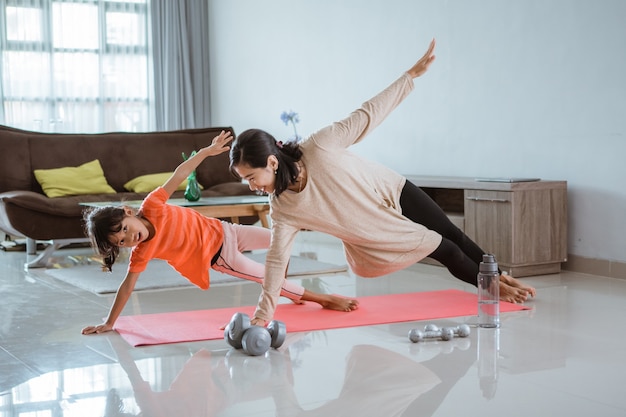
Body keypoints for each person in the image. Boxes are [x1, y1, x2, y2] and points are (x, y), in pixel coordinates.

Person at [229, 39, 536, 326]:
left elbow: (367, 115)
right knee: (448, 250)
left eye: (251, 177)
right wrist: (261, 318)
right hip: (375, 227)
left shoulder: (320, 147)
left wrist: (409, 77)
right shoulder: (283, 209)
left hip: (391, 188)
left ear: (271, 162)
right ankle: (493, 288)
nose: (251, 185)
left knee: (453, 232)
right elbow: (276, 262)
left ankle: (501, 278)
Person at [81, 130, 358, 335]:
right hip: (221, 258)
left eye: (126, 231)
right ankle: (323, 299)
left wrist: (206, 152)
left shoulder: (152, 204)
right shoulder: (143, 251)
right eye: (122, 242)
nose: (130, 239)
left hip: (228, 232)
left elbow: (179, 173)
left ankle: (333, 248)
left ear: (129, 213)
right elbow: (127, 286)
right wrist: (109, 322)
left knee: (281, 237)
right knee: (267, 278)